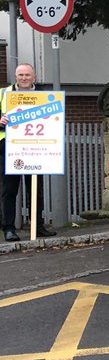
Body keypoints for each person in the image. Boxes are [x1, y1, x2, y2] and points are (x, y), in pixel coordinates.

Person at [0, 62, 56, 240]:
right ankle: (9, 229)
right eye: (20, 75)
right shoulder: (4, 94)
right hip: (9, 148)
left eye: (27, 75)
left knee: (35, 189)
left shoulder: (43, 96)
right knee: (9, 190)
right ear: (15, 77)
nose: (24, 78)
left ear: (34, 77)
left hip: (35, 148)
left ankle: (37, 226)